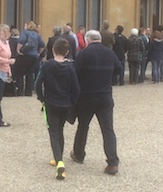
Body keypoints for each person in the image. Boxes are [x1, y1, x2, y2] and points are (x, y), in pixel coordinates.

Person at [70, 30, 122, 175]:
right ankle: (112, 162)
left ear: (87, 40)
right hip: (105, 96)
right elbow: (118, 70)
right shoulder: (110, 53)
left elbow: (75, 74)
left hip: (87, 96)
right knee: (108, 129)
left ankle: (79, 154)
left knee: (83, 126)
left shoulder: (84, 54)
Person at [35, 37, 80, 180]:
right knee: (60, 130)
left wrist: (41, 98)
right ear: (67, 52)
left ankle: (59, 162)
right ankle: (58, 156)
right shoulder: (71, 68)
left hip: (51, 103)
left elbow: (38, 83)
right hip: (65, 104)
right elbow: (76, 88)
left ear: (53, 50)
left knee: (53, 132)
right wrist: (72, 101)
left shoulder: (47, 66)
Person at [16, 21, 45, 96]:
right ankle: (28, 92)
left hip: (25, 55)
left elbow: (21, 41)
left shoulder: (25, 32)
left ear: (27, 26)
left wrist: (18, 50)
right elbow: (42, 45)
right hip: (34, 56)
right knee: (30, 73)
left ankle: (20, 91)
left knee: (20, 73)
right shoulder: (37, 34)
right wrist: (38, 53)